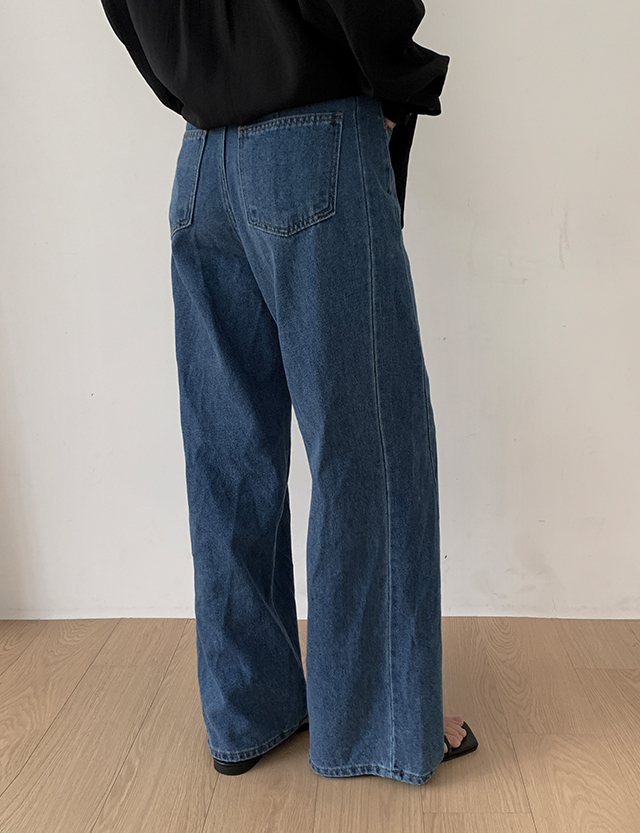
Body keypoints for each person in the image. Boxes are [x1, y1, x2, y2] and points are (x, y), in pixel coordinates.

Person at [99, 0, 478, 784]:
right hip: (314, 135)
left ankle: (249, 710)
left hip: (202, 161)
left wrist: (195, 80)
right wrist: (396, 83)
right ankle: (376, 725)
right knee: (369, 446)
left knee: (227, 457)